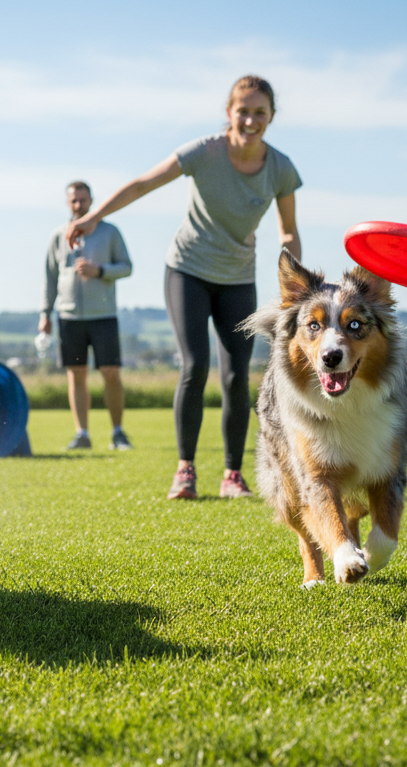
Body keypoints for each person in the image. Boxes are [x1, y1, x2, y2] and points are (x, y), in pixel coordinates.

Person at [66, 75, 302, 499]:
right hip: (187, 271)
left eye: (259, 113)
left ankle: (232, 476)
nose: (250, 119)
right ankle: (185, 471)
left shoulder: (280, 169)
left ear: (270, 117)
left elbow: (288, 231)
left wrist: (296, 286)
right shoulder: (205, 152)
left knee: (235, 377)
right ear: (229, 113)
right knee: (194, 366)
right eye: (242, 111)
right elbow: (144, 183)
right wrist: (93, 217)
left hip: (237, 279)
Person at [41, 181, 134, 451]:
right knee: (76, 376)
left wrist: (100, 270)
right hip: (69, 317)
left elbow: (127, 267)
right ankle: (82, 434)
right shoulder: (59, 235)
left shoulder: (110, 232)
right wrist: (45, 313)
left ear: (92, 201)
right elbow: (49, 277)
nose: (78, 205)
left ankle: (118, 433)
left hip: (103, 315)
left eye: (83, 200)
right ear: (68, 203)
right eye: (74, 201)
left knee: (111, 373)